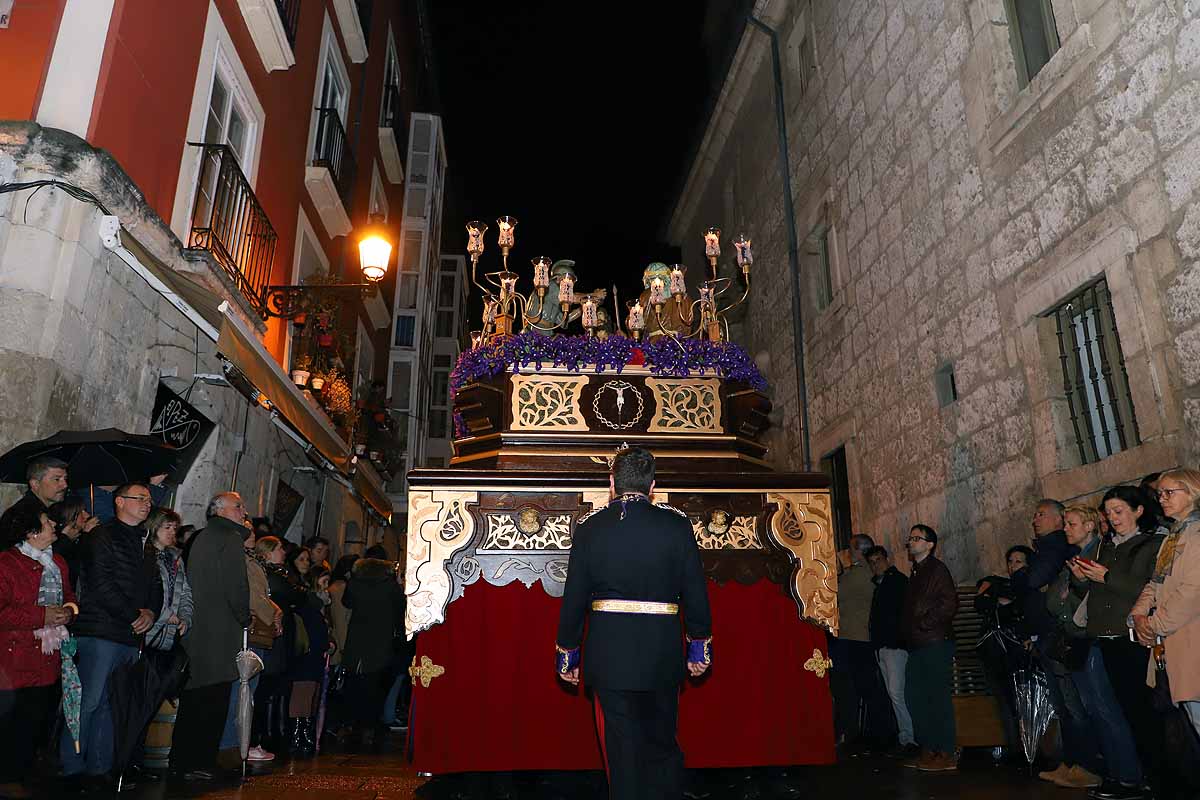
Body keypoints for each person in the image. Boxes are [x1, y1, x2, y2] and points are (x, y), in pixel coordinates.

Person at [555, 447, 712, 799]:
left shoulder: (590, 528)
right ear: (652, 485)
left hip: (610, 658)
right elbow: (695, 590)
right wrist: (698, 645)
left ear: (611, 482)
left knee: (622, 756)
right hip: (663, 655)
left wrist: (568, 653)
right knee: (662, 746)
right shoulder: (676, 525)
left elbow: (574, 598)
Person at [61, 483, 161, 791]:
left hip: (129, 635)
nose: (147, 503)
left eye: (149, 498)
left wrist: (152, 614)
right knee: (88, 702)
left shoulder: (144, 543)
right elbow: (101, 584)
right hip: (101, 630)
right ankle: (72, 767)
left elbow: (154, 586)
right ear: (119, 502)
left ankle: (100, 768)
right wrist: (134, 615)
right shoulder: (101, 536)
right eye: (140, 498)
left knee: (110, 704)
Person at [1071, 485, 1163, 800]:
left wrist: (1106, 577)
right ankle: (1134, 777)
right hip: (1104, 636)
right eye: (1108, 513)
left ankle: (1158, 777)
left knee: (1144, 712)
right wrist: (1082, 579)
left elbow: (1144, 586)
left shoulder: (1152, 544)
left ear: (1138, 511)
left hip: (1133, 637)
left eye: (1119, 511)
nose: (1112, 519)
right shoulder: (1105, 546)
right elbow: (1093, 591)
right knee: (1121, 710)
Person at [1012, 499, 1101, 788]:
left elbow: (1034, 579)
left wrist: (1023, 574)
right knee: (1062, 706)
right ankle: (1071, 762)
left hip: (1059, 635)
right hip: (1048, 636)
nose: (1035, 520)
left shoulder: (1053, 546)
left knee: (1073, 705)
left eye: (1041, 515)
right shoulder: (1049, 548)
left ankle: (1085, 765)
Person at [1063, 505, 1143, 800]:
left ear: (1089, 525)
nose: (1065, 529)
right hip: (1088, 634)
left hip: (1100, 635)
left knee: (1107, 709)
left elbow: (1108, 592)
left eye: (1071, 523)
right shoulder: (1087, 553)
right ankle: (1116, 771)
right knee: (1096, 708)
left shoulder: (1102, 550)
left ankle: (1127, 775)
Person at [0, 503, 78, 799]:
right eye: (47, 522)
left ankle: (22, 774)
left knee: (37, 721)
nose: (54, 525)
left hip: (48, 658)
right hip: (12, 661)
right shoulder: (6, 564)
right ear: (31, 531)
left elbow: (71, 598)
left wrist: (69, 612)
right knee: (10, 724)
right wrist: (41, 616)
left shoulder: (58, 562)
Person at [171, 493, 250, 781]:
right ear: (220, 511)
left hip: (201, 629)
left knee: (196, 697)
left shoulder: (204, 537)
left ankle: (183, 759)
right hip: (219, 630)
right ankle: (199, 760)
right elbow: (236, 584)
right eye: (239, 507)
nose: (244, 511)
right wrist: (245, 616)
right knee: (212, 699)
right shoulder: (229, 538)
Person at [1131, 469, 1200, 793]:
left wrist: (1155, 626)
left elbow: (1192, 591)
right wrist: (1138, 614)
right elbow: (1156, 582)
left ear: (1192, 492)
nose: (1162, 499)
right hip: (1177, 643)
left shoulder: (1198, 534)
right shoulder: (1174, 536)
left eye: (1170, 492)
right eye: (1160, 494)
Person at [898, 524, 958, 772]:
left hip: (934, 642)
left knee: (937, 697)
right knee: (915, 695)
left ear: (929, 544)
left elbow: (949, 604)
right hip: (918, 644)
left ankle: (945, 751)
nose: (911, 542)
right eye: (910, 538)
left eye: (916, 538)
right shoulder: (916, 572)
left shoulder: (936, 569)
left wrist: (924, 624)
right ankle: (928, 748)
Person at [219, 524, 278, 763]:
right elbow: (253, 596)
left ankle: (240, 743)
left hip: (254, 631)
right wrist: (274, 614)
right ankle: (232, 744)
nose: (253, 535)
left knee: (247, 692)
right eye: (248, 532)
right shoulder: (242, 561)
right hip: (247, 632)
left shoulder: (252, 561)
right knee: (240, 692)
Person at [830, 533, 891, 751]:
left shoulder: (856, 575)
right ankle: (875, 733)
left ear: (857, 550)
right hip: (864, 639)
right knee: (869, 689)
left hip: (851, 639)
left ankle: (851, 733)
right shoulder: (870, 573)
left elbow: (834, 596)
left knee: (848, 690)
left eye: (849, 549)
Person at [974, 545, 1032, 764]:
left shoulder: (1026, 585)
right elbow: (980, 602)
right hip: (995, 652)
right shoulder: (1000, 583)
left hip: (1017, 652)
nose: (1013, 566)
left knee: (1018, 699)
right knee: (1003, 700)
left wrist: (998, 600)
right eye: (1010, 561)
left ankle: (1026, 749)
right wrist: (998, 600)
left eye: (1018, 561)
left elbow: (1019, 608)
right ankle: (1013, 748)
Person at [341, 545, 404, 745]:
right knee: (376, 683)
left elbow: (347, 602)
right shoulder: (389, 584)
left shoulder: (355, 581)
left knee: (356, 682)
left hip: (358, 637)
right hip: (381, 638)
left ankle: (356, 723)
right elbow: (400, 607)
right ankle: (373, 724)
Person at [251, 536, 305, 755]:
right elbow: (294, 595)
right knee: (265, 689)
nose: (284, 552)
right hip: (272, 638)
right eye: (280, 549)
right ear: (267, 552)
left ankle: (269, 735)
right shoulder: (270, 576)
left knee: (274, 688)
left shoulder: (280, 574)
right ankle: (259, 738)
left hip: (280, 639)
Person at [866, 545, 914, 757]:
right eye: (872, 562)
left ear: (887, 559)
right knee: (894, 693)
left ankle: (909, 738)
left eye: (879, 560)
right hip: (884, 646)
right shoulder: (882, 584)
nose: (876, 565)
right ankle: (905, 737)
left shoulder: (896, 581)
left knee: (897, 693)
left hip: (894, 645)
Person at [288, 565, 331, 757]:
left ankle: (304, 734)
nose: (327, 587)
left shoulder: (319, 605)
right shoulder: (311, 604)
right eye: (324, 581)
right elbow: (315, 631)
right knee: (303, 697)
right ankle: (299, 735)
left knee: (310, 697)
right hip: (308, 657)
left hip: (313, 658)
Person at [143, 509, 193, 651]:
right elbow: (143, 592)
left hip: (169, 633)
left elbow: (185, 592)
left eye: (174, 528)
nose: (172, 532)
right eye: (167, 527)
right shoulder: (146, 554)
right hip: (148, 629)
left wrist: (185, 618)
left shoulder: (175, 557)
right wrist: (165, 614)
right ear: (154, 527)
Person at [0, 457, 69, 534]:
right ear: (35, 484)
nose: (65, 485)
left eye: (65, 479)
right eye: (57, 479)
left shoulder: (55, 510)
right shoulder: (21, 516)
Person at [47, 498, 99, 593]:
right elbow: (78, 564)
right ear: (69, 516)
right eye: (80, 513)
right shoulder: (54, 538)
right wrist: (85, 535)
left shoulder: (78, 537)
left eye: (85, 511)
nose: (87, 515)